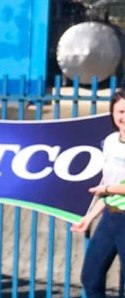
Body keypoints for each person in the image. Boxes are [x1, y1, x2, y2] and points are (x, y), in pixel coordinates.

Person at [73, 90, 125, 298]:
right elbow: (106, 182)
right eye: (120, 111)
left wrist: (108, 190)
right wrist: (89, 217)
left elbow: (108, 187)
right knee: (90, 277)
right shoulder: (111, 142)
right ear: (112, 114)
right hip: (110, 218)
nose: (124, 117)